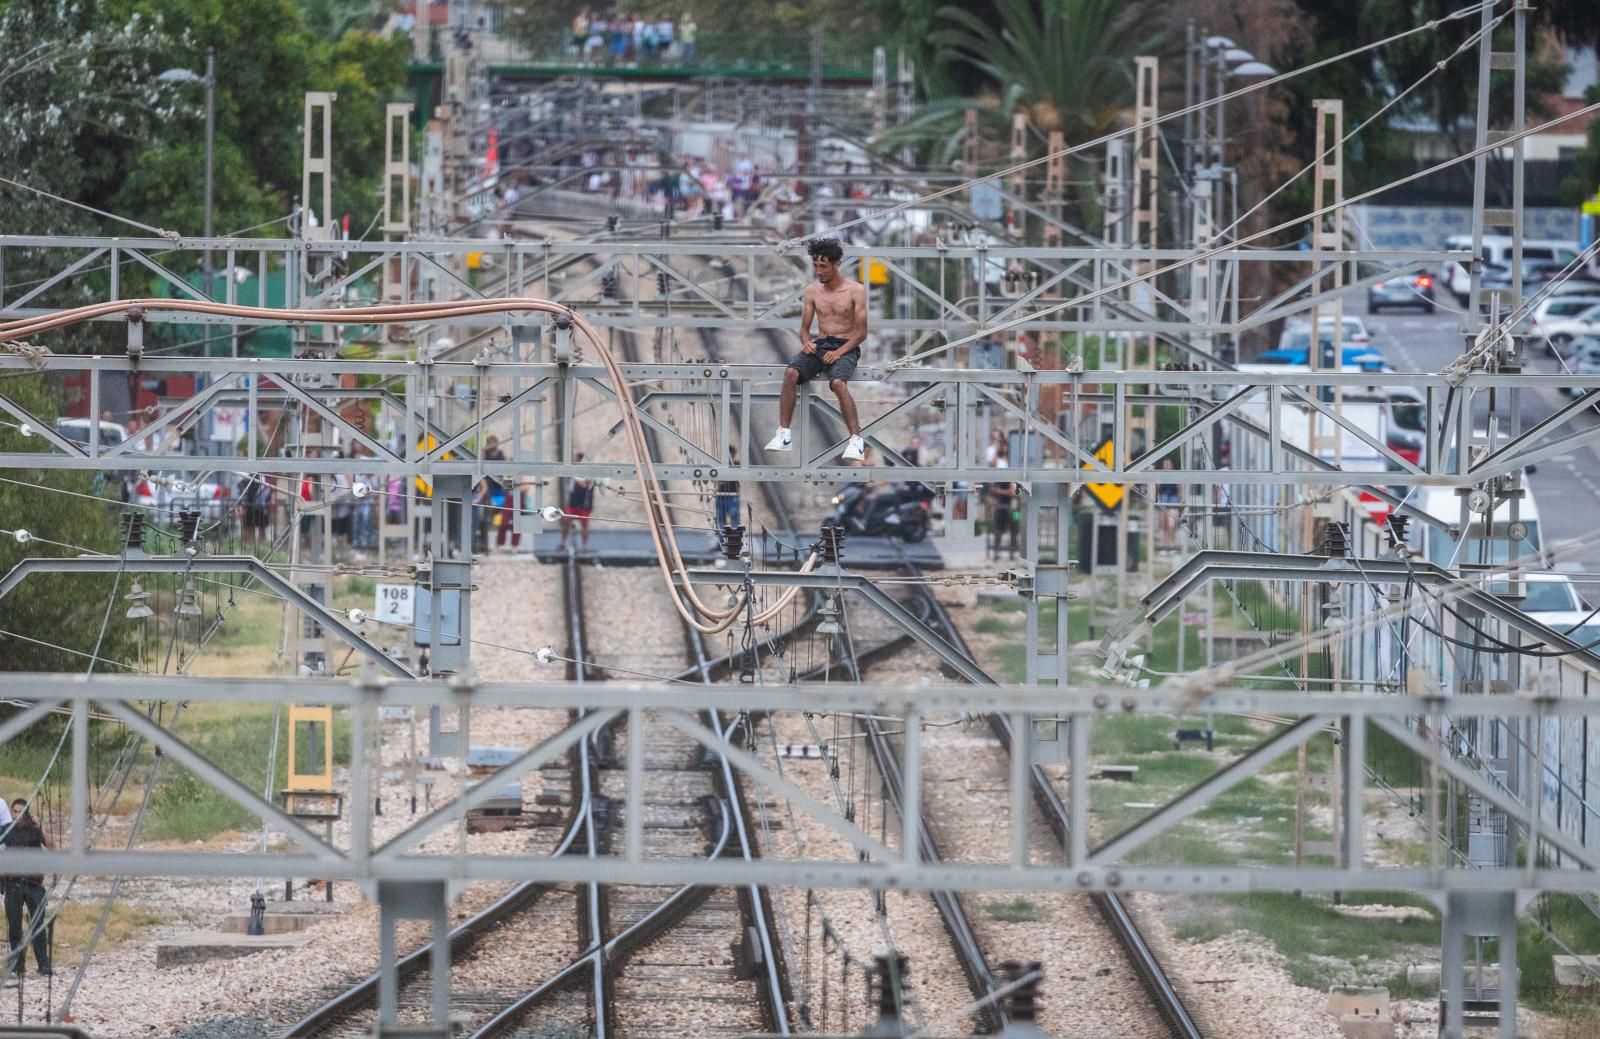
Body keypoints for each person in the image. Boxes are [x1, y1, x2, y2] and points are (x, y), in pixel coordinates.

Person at [766, 238, 868, 461]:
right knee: (791, 372)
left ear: (837, 264)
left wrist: (840, 353)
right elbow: (804, 329)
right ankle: (783, 434)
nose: (819, 271)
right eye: (816, 265)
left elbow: (861, 333)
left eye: (824, 266)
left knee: (838, 383)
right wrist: (806, 342)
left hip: (846, 346)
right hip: (820, 345)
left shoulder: (856, 291)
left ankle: (856, 441)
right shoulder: (812, 291)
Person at [3, 799, 51, 977]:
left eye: (21, 812)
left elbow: (51, 846)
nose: (17, 815)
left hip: (34, 884)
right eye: (14, 811)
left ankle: (43, 964)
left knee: (38, 925)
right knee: (14, 927)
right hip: (13, 884)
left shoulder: (35, 831)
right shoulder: (7, 830)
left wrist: (42, 826)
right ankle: (17, 965)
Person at [557, 452, 595, 553]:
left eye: (577, 460)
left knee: (585, 525)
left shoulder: (589, 473)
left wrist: (572, 475)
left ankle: (584, 546)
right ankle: (562, 543)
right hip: (573, 503)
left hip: (584, 505)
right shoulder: (574, 472)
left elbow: (584, 484)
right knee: (566, 522)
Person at [986, 446, 1018, 561]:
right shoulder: (1000, 475)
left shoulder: (1011, 472)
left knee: (1014, 527)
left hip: (1014, 508)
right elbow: (994, 490)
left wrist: (1001, 492)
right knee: (998, 528)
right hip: (1001, 506)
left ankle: (1012, 551)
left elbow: (1013, 492)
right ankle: (997, 551)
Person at [237, 475, 272, 547]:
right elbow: (242, 491)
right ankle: (249, 547)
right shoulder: (246, 478)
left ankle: (262, 547)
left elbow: (269, 493)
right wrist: (241, 505)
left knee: (261, 529)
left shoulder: (266, 479)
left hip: (261, 508)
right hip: (249, 507)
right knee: (249, 528)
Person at [1155, 457, 1181, 549]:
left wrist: (1180, 499)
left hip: (1173, 500)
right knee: (1164, 524)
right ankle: (1165, 544)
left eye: (1168, 464)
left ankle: (1171, 542)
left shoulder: (1175, 476)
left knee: (1171, 523)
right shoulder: (1160, 476)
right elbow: (1158, 489)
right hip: (1163, 499)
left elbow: (1179, 488)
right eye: (1165, 465)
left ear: (1171, 466)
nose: (1166, 466)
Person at [715, 445, 741, 531]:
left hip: (732, 496)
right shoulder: (720, 465)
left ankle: (735, 536)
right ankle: (722, 539)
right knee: (721, 520)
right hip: (721, 496)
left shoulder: (736, 464)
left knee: (734, 519)